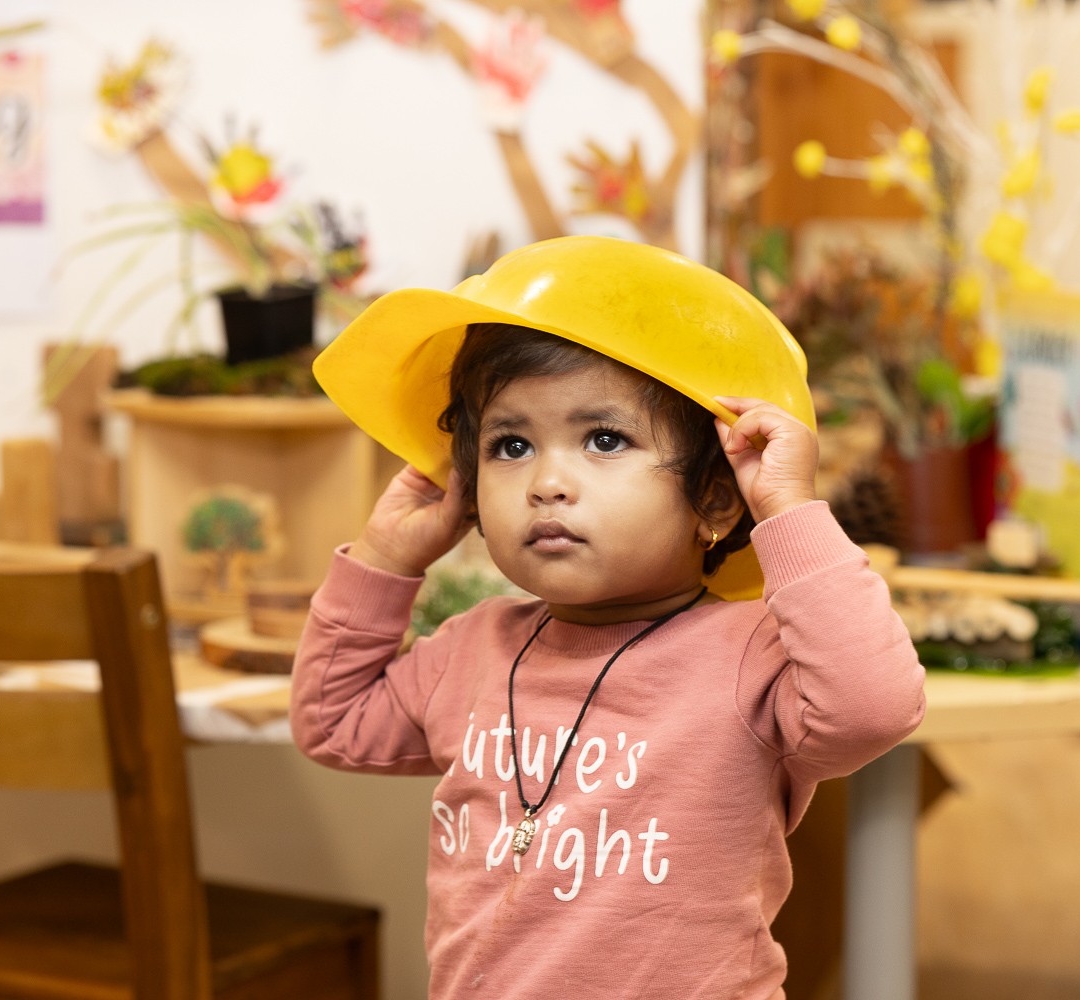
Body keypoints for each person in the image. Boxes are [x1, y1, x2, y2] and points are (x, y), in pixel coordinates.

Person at [291, 236, 925, 999]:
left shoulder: (751, 653)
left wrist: (787, 508)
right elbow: (333, 721)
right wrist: (386, 558)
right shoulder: (473, 647)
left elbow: (874, 708)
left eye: (603, 439)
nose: (547, 482)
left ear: (715, 498)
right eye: (511, 445)